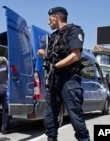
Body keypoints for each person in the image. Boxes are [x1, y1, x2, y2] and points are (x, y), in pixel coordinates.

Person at [37, 6, 90, 141]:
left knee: (75, 116)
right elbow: (40, 51)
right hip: (53, 78)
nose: (48, 23)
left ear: (56, 17)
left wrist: (55, 65)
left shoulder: (74, 31)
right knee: (50, 116)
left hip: (69, 78)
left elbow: (75, 56)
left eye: (50, 19)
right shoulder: (52, 37)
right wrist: (46, 54)